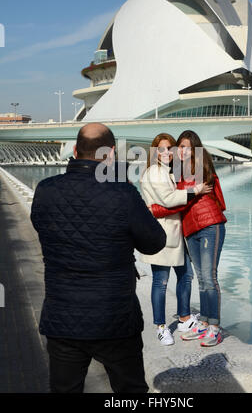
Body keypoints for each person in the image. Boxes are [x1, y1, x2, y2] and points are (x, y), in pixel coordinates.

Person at [30, 122, 166, 393]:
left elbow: (41, 226)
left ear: (75, 150)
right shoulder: (122, 193)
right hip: (114, 317)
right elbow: (154, 243)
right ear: (111, 153)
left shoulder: (46, 190)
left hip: (62, 318)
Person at [151, 130, 227, 347]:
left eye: (185, 147)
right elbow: (175, 200)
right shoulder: (177, 173)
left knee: (209, 278)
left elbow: (180, 202)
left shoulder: (199, 169)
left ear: (194, 149)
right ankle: (203, 322)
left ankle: (214, 327)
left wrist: (154, 210)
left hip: (209, 225)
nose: (180, 151)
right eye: (179, 147)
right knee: (202, 279)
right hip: (191, 230)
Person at [139, 133, 212, 346]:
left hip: (175, 233)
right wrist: (196, 190)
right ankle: (161, 327)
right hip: (161, 234)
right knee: (161, 282)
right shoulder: (155, 172)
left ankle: (184, 318)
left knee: (186, 275)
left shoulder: (170, 172)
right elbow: (169, 200)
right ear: (154, 152)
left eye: (169, 148)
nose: (166, 153)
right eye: (160, 149)